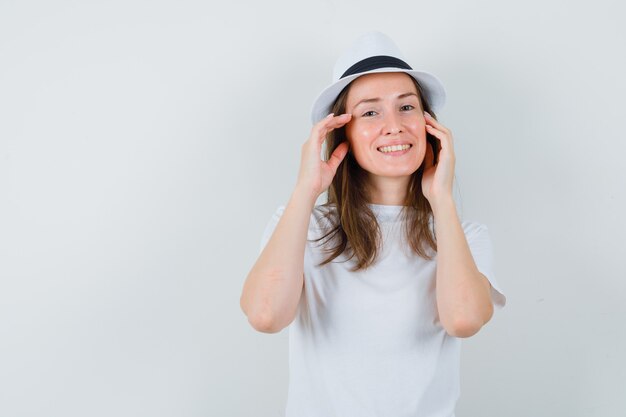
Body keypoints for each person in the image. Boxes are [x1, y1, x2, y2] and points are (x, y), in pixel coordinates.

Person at [240, 31, 507, 417]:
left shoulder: (463, 236)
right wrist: (306, 189)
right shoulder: (302, 227)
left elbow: (463, 319)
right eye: (370, 112)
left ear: (430, 124)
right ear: (340, 131)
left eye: (407, 107)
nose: (394, 125)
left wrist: (442, 199)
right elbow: (265, 315)